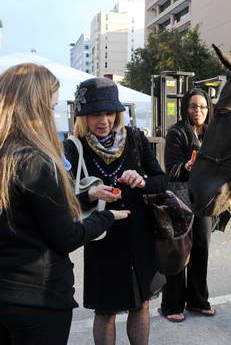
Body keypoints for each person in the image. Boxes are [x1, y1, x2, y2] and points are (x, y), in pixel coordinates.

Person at [0, 64, 130, 345]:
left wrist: (88, 196)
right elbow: (66, 236)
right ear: (33, 108)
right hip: (38, 298)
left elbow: (32, 213)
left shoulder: (7, 156)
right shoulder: (36, 161)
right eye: (51, 107)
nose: (53, 115)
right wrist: (107, 218)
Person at [63, 77, 167, 345]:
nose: (104, 120)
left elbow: (161, 179)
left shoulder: (135, 138)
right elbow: (65, 199)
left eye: (109, 113)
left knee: (141, 304)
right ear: (82, 116)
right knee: (106, 311)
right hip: (102, 238)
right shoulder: (74, 147)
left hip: (139, 234)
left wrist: (142, 181)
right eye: (96, 114)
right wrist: (90, 194)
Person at [159, 89, 217, 322]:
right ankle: (171, 306)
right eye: (193, 106)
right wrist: (186, 167)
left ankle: (197, 302)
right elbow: (170, 168)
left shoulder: (214, 133)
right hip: (181, 200)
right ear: (185, 108)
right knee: (178, 253)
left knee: (201, 250)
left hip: (204, 200)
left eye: (203, 107)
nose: (198, 111)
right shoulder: (176, 133)